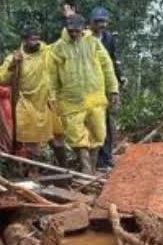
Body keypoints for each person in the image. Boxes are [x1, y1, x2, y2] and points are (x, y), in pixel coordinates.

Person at [50, 14, 120, 173]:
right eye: (71, 31)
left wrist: (113, 89)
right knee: (76, 136)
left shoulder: (93, 43)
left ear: (83, 29)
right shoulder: (58, 47)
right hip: (71, 100)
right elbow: (51, 75)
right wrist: (52, 96)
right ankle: (86, 170)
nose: (73, 34)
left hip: (95, 97)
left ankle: (91, 170)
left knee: (98, 134)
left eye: (77, 31)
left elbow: (107, 66)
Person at [0, 27, 65, 166]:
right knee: (32, 143)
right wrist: (12, 66)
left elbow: (63, 44)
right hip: (27, 103)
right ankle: (34, 174)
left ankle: (65, 170)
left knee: (58, 136)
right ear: (24, 40)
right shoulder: (15, 58)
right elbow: (0, 79)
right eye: (32, 39)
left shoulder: (47, 52)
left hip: (47, 101)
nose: (36, 42)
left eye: (38, 38)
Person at [89, 7, 123, 169]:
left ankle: (106, 156)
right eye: (98, 21)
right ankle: (95, 159)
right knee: (94, 122)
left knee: (108, 121)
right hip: (90, 85)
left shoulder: (108, 38)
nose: (101, 25)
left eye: (103, 21)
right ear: (91, 23)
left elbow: (112, 60)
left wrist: (118, 80)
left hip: (106, 84)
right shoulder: (86, 38)